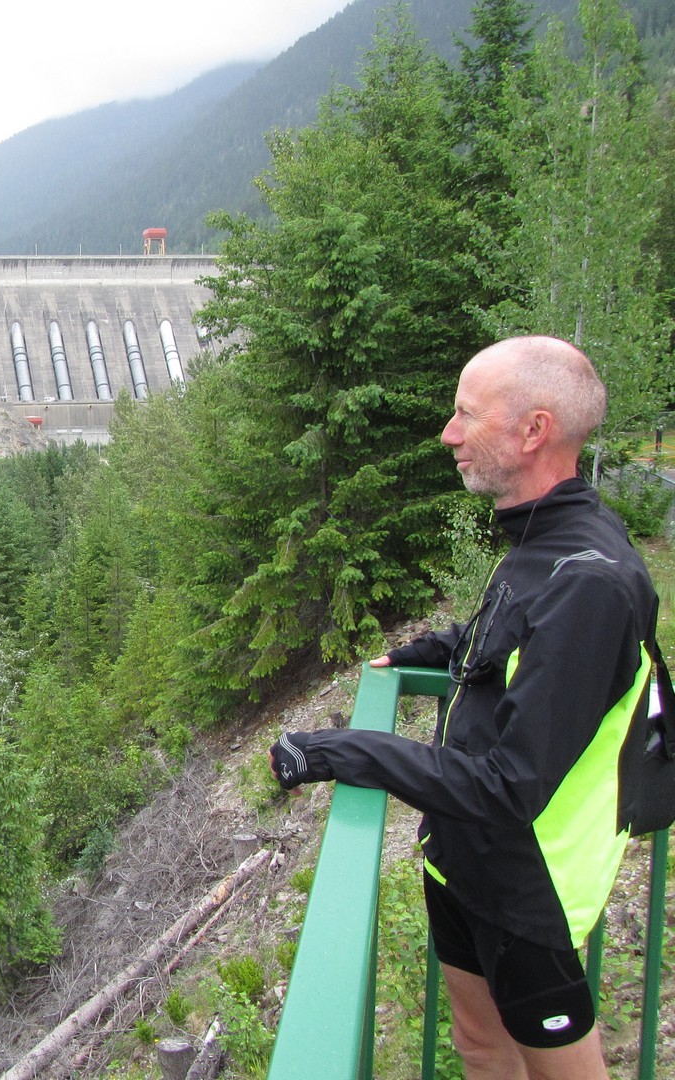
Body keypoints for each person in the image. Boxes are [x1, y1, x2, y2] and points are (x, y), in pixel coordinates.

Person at [269, 336, 658, 1080]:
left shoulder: (591, 581)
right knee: (480, 1048)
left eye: (466, 415)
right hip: (463, 857)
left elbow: (512, 786)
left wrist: (343, 751)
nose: (448, 434)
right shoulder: (542, 533)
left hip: (527, 887)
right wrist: (433, 648)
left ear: (533, 430)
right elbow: (517, 638)